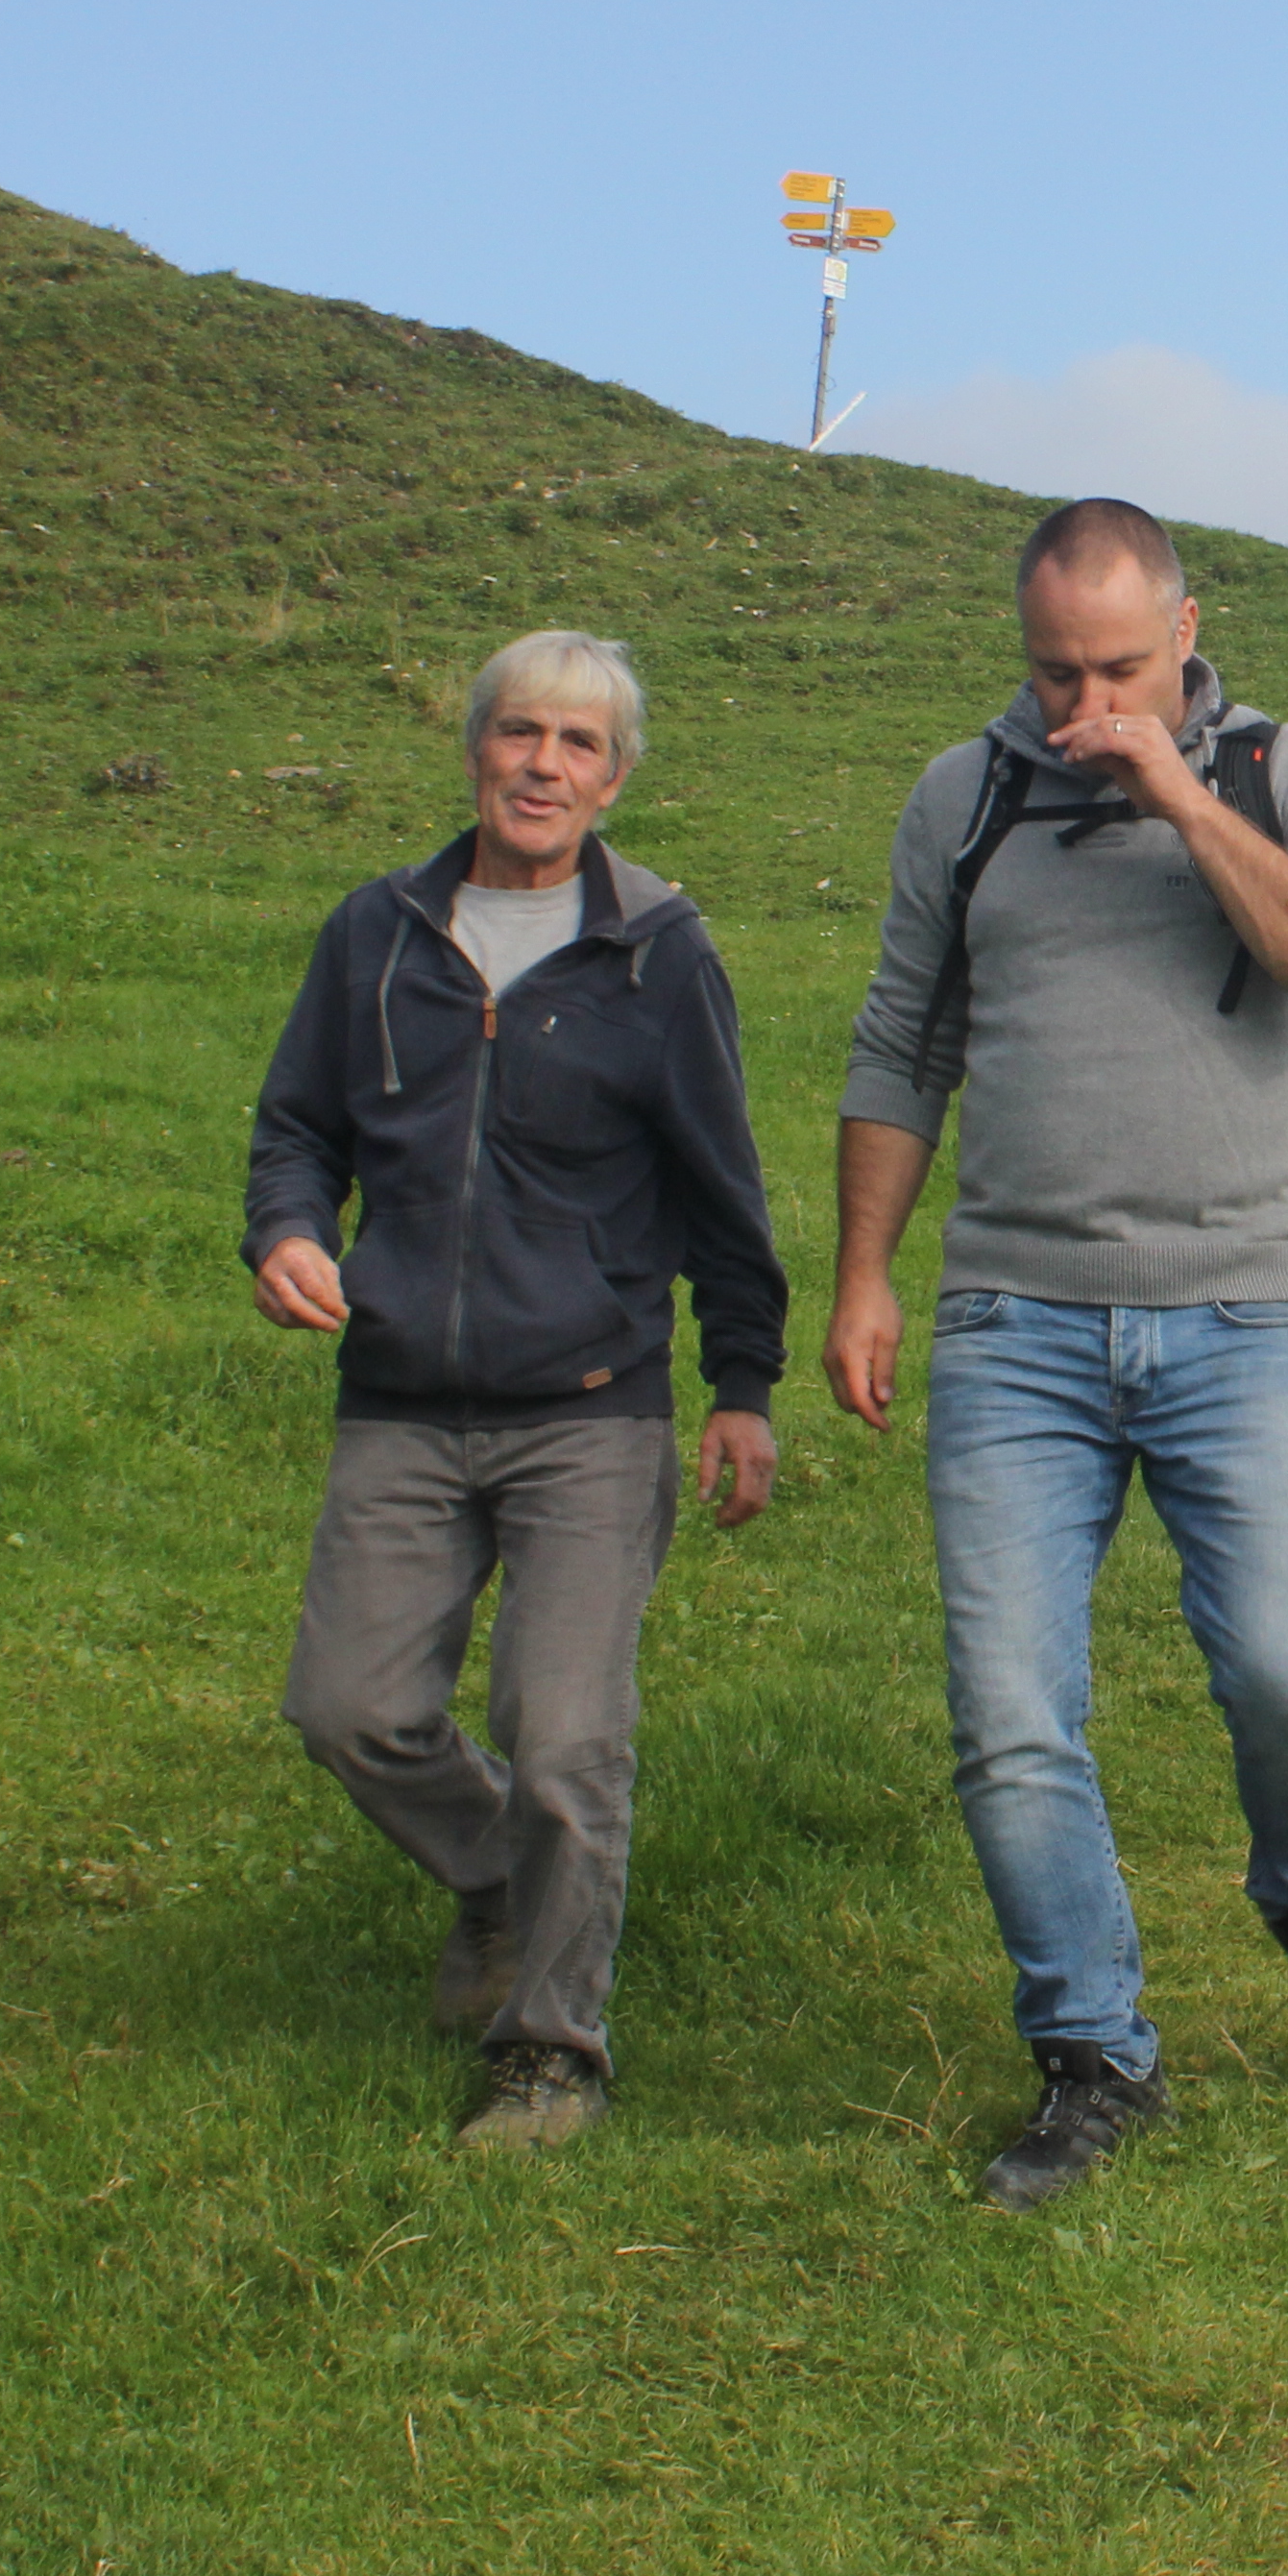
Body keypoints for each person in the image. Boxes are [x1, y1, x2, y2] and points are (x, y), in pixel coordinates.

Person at [828, 498, 1288, 2211]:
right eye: (1051, 670)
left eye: (1116, 667)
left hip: (1242, 1312)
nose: (1083, 701)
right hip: (1013, 1323)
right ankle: (1093, 2058)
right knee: (1011, 1712)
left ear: (1183, 628)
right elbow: (899, 1041)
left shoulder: (1287, 770)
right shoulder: (966, 797)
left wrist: (1172, 788)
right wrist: (864, 1274)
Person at [243, 629, 790, 2153]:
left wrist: (741, 1380)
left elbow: (721, 1188)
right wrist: (286, 1227)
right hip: (403, 1395)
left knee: (563, 1739)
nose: (544, 765)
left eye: (580, 746)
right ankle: (500, 1881)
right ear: (474, 747)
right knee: (348, 1709)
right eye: (521, 734)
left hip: (590, 1407)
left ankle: (552, 2047)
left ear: (616, 780)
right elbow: (297, 1126)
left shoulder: (658, 952)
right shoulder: (376, 934)